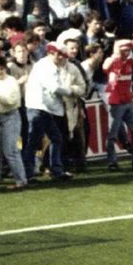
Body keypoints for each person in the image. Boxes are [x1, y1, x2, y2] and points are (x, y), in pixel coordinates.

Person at [23, 42, 77, 182]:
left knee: (55, 138)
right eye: (58, 55)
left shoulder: (47, 65)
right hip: (39, 107)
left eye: (62, 55)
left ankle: (55, 170)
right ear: (50, 53)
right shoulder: (46, 67)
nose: (61, 58)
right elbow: (54, 88)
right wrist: (71, 91)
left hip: (43, 108)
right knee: (35, 142)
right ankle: (29, 174)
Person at [103, 40, 133, 171]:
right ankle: (112, 162)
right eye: (123, 49)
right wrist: (115, 53)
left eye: (128, 50)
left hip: (128, 101)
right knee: (112, 135)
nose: (126, 52)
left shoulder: (130, 62)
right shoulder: (112, 60)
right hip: (116, 102)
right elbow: (105, 67)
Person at [0, 57, 27, 189]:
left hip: (11, 117)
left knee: (11, 151)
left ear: (5, 69)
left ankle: (21, 180)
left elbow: (12, 101)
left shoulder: (11, 81)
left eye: (1, 69)